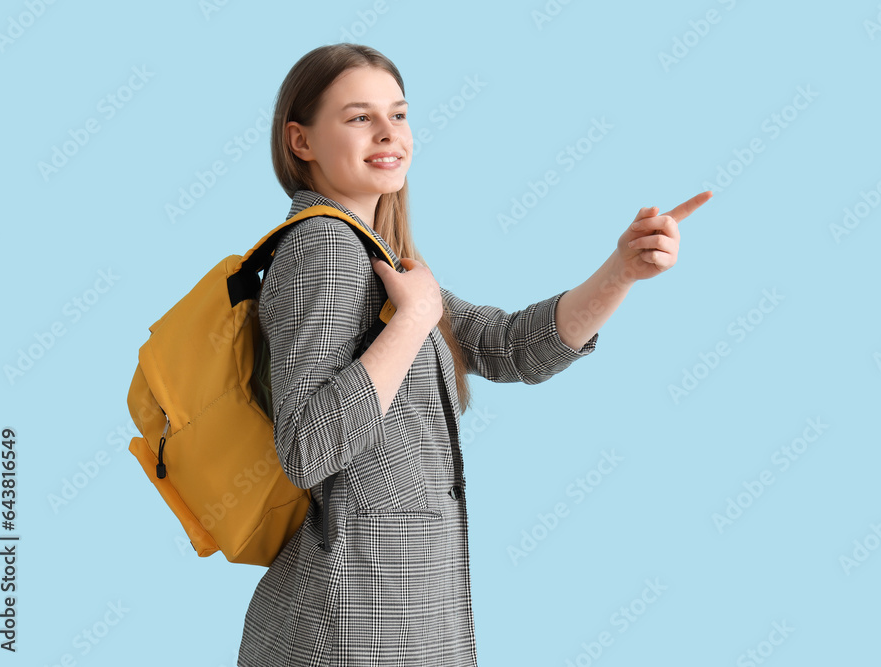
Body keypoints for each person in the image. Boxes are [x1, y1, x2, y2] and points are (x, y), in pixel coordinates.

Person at [238, 43, 711, 666]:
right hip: (352, 628)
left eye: (399, 114)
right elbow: (309, 446)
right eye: (359, 118)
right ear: (301, 142)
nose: (389, 133)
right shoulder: (323, 248)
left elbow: (508, 348)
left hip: (397, 621)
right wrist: (411, 320)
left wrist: (620, 271)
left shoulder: (379, 254)